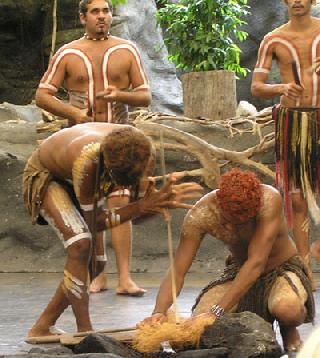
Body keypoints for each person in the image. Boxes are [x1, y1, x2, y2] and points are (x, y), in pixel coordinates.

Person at [23, 123, 203, 337]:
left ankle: (43, 325)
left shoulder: (143, 154)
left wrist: (155, 204)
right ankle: (85, 332)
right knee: (80, 243)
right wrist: (139, 206)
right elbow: (95, 223)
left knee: (96, 264)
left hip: (89, 176)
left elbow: (133, 217)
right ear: (109, 170)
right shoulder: (87, 162)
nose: (118, 190)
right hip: (48, 176)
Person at [35, 0, 152, 295]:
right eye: (95, 11)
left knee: (119, 201)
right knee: (92, 204)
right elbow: (43, 95)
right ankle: (98, 274)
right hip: (81, 141)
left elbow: (145, 95)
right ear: (83, 16)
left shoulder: (127, 50)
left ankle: (125, 277)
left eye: (106, 11)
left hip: (119, 140)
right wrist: (72, 113)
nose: (102, 16)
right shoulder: (68, 52)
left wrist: (120, 95)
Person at [142, 169, 315, 352]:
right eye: (226, 221)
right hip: (239, 271)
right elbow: (178, 270)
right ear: (219, 202)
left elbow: (256, 263)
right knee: (196, 326)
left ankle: (288, 329)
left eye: (241, 223)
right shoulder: (200, 214)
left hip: (282, 268)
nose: (231, 227)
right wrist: (159, 311)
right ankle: (253, 331)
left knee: (287, 309)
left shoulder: (269, 200)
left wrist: (217, 311)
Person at [251, 0, 320, 289]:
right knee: (296, 198)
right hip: (292, 123)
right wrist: (282, 87)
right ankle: (304, 262)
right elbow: (257, 87)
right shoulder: (273, 39)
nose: (298, 1)